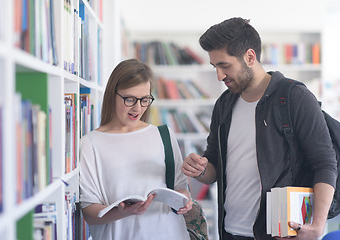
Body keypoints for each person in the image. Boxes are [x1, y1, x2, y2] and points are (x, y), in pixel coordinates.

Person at [181, 17, 337, 240]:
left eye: (225, 65)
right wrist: (201, 169)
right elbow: (213, 165)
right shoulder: (224, 104)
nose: (219, 76)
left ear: (250, 57)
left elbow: (325, 162)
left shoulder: (294, 96)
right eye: (215, 66)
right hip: (230, 232)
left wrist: (318, 225)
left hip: (281, 233)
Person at [79, 58, 192, 240]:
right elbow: (89, 212)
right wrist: (124, 212)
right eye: (130, 99)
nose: (137, 108)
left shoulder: (164, 135)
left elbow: (181, 187)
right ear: (112, 94)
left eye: (145, 100)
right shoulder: (91, 143)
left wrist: (185, 202)